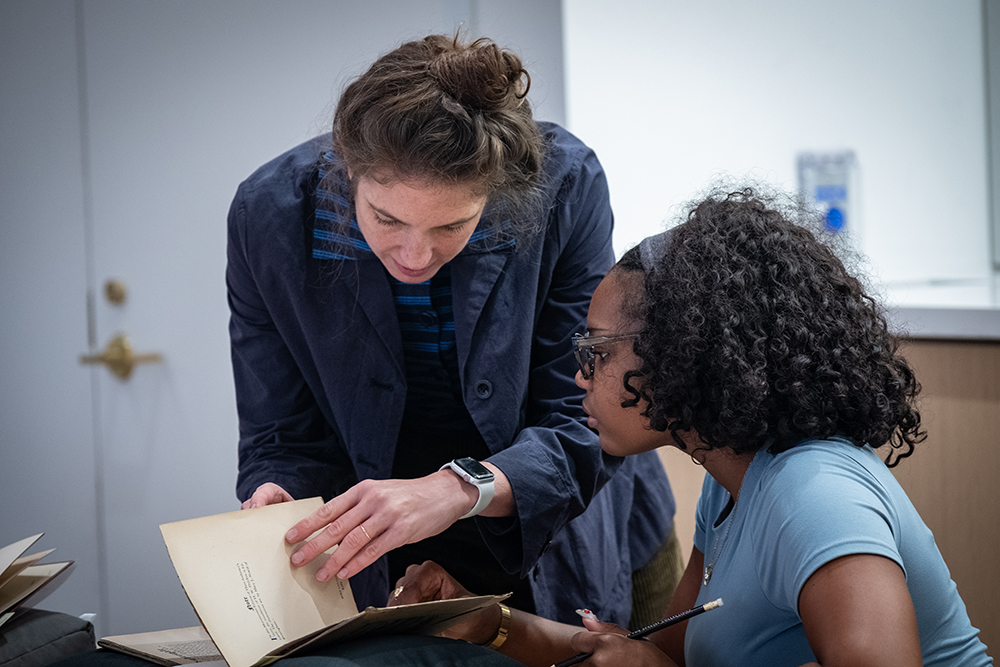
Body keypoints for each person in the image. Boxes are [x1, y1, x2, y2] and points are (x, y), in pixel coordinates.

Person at [392, 186, 993, 666]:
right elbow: (661, 659)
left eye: (597, 351)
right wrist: (486, 622)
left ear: (684, 352)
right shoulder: (728, 483)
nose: (580, 377)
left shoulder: (815, 494)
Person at [226, 33, 677, 626]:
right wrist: (277, 490)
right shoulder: (269, 218)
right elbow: (281, 435)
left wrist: (457, 488)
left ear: (497, 193)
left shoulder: (564, 186)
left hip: (568, 523)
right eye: (386, 219)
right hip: (392, 554)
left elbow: (585, 415)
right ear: (348, 170)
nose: (415, 254)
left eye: (451, 225)